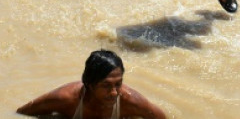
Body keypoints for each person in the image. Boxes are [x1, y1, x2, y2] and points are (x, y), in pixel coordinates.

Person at [16, 50, 166, 119]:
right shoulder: (65, 99)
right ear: (89, 84)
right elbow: (21, 113)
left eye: (118, 84)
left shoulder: (131, 102)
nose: (114, 92)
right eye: (106, 85)